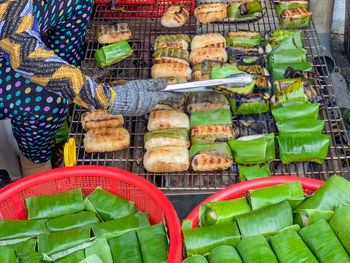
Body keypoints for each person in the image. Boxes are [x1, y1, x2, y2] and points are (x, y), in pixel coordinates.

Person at [0, 0, 180, 176]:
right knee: (45, 99)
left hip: (26, 23)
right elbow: (23, 52)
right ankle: (35, 164)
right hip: (14, 45)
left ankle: (65, 94)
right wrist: (105, 97)